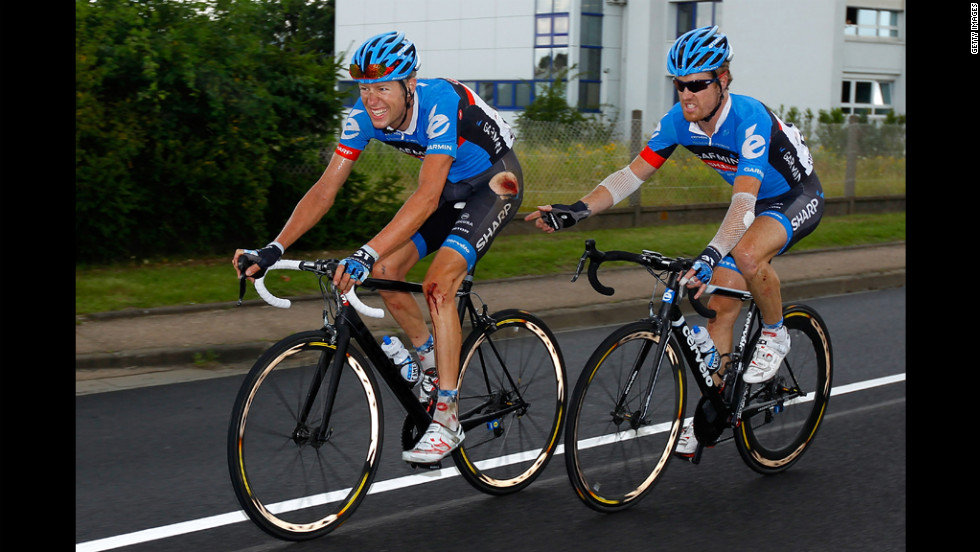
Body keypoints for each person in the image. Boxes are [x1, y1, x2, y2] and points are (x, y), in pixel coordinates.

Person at [524, 25, 824, 458]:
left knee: (744, 252)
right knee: (719, 310)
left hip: (795, 197)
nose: (686, 94)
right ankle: (720, 408)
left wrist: (708, 255)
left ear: (723, 80)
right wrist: (576, 210)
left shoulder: (750, 118)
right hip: (753, 205)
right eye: (679, 84)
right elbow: (630, 176)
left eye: (697, 84)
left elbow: (742, 209)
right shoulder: (678, 123)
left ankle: (775, 334)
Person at [234, 31, 524, 464]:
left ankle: (447, 416)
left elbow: (426, 197)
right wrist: (274, 248)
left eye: (383, 87)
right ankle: (430, 365)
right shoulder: (361, 116)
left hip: (494, 184)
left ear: (410, 85)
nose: (372, 99)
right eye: (365, 88)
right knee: (386, 272)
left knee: (438, 284)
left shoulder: (439, 100)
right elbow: (324, 190)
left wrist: (363, 251)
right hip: (449, 192)